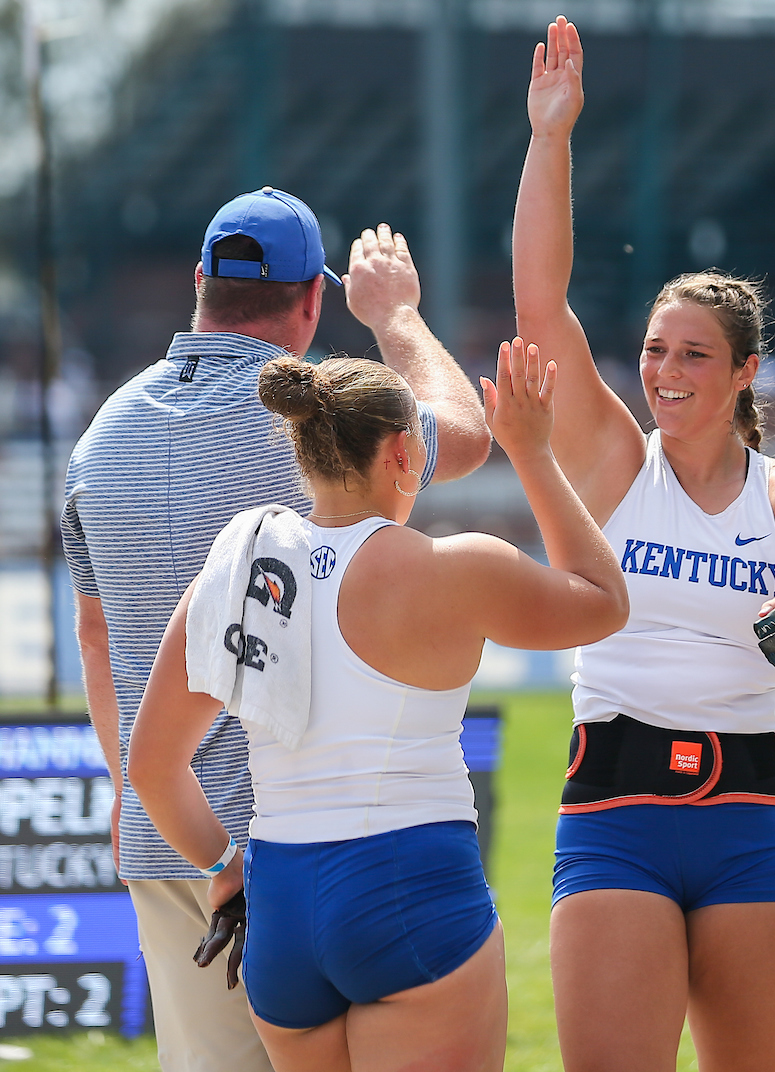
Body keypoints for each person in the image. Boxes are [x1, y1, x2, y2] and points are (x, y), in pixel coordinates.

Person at [512, 19, 775, 1072]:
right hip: (616, 807)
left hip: (756, 813)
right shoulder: (619, 464)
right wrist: (552, 137)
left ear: (746, 372)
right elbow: (542, 305)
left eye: (694, 356)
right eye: (654, 351)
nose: (665, 372)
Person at [61, 189, 491, 1072]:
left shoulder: (99, 439)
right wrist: (399, 317)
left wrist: (139, 791)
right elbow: (467, 433)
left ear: (198, 284)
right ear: (312, 301)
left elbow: (98, 641)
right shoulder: (323, 427)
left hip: (170, 826)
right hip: (308, 834)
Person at [126, 338, 629, 1072]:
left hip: (283, 901)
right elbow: (605, 602)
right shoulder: (453, 567)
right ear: (402, 453)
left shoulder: (233, 573)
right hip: (409, 882)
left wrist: (226, 867)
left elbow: (150, 766)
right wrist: (531, 451)